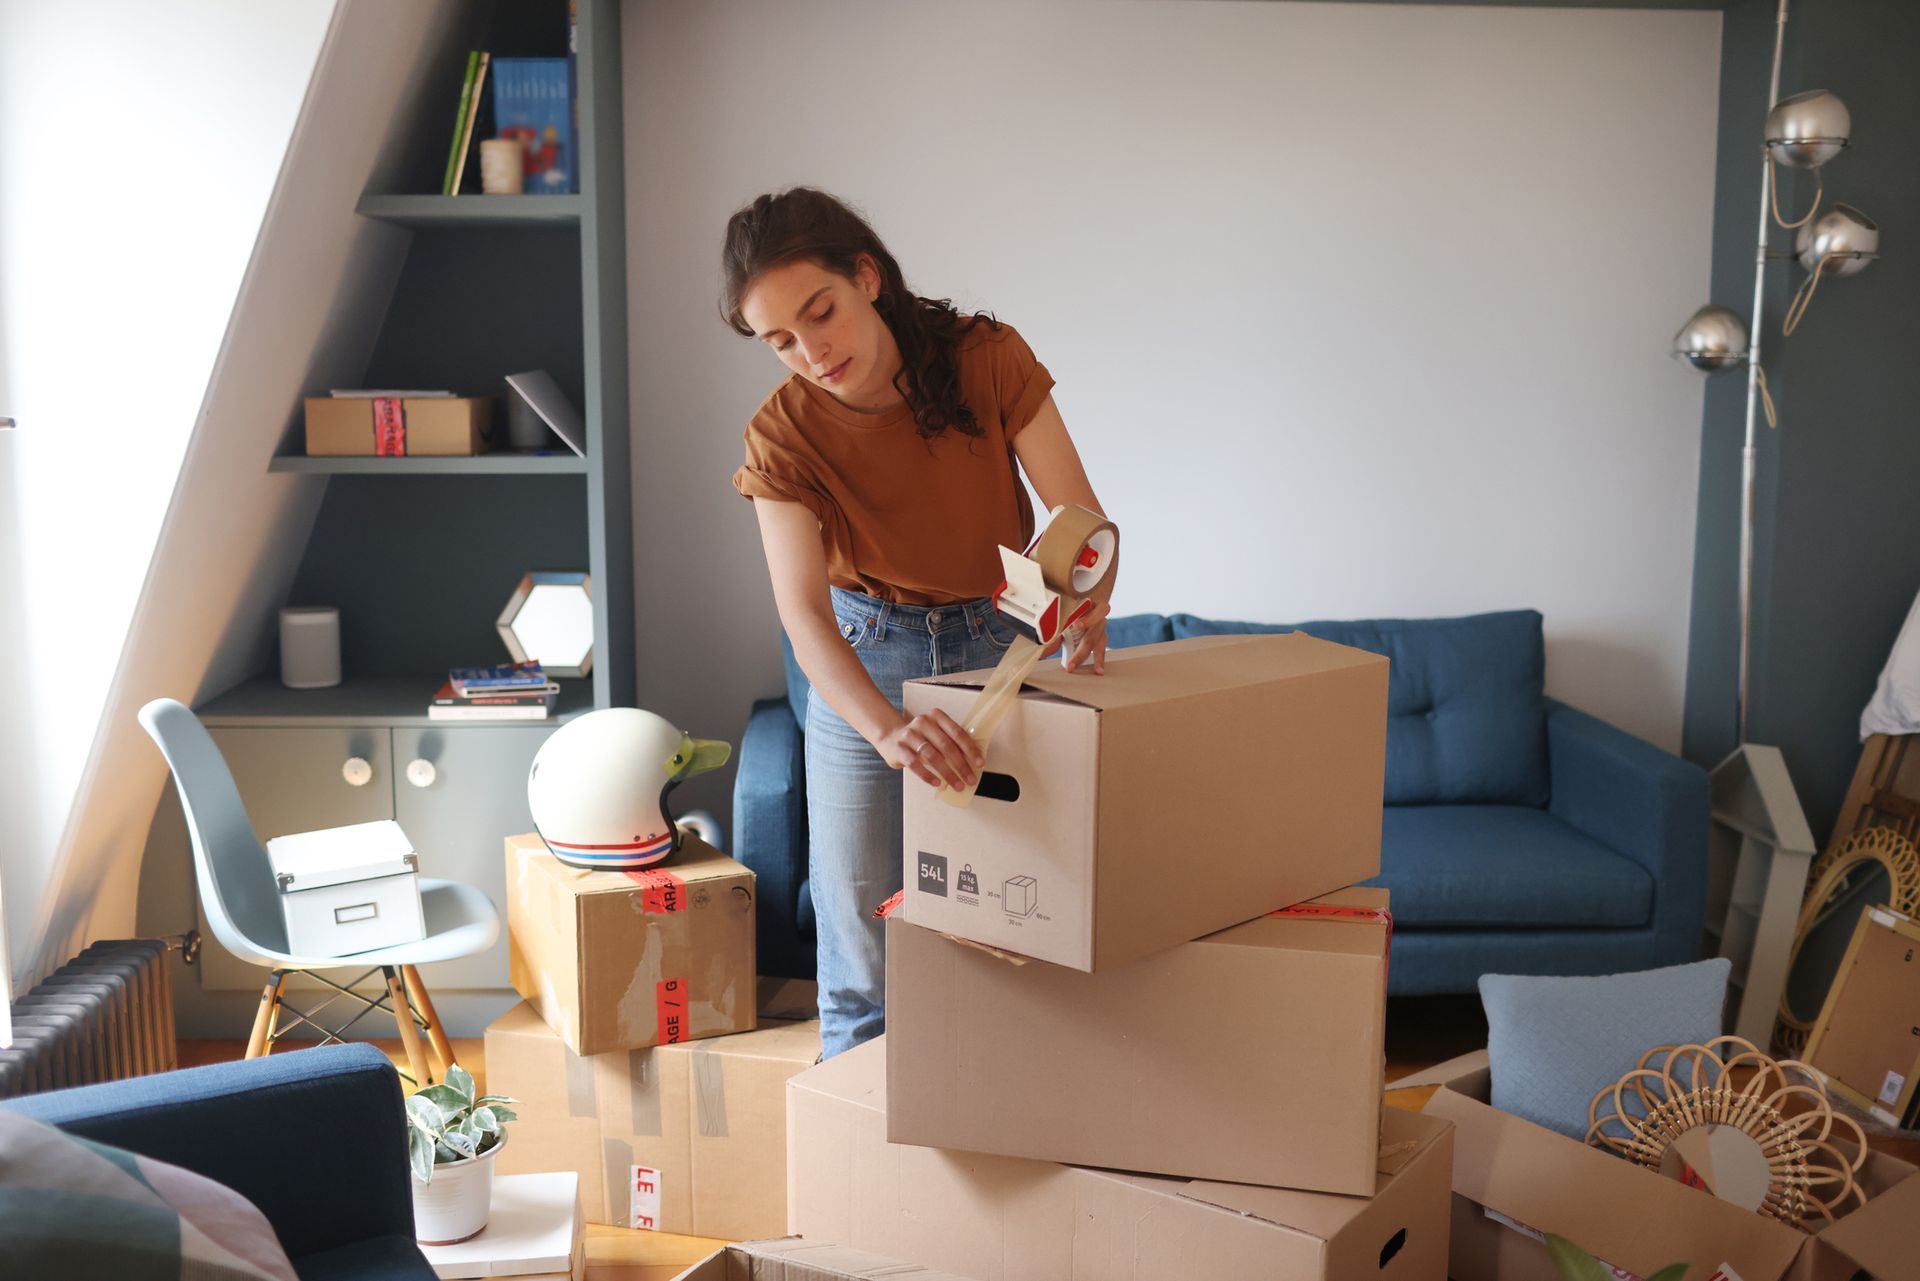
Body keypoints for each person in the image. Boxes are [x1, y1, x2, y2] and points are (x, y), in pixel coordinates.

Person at [723, 187, 1112, 1057]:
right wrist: (889, 730)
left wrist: (1088, 591)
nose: (810, 351)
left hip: (1001, 633)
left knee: (1026, 924)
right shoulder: (779, 438)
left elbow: (1075, 516)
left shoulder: (986, 358)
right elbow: (803, 612)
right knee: (862, 959)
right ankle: (858, 1178)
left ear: (868, 276)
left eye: (820, 313)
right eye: (779, 340)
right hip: (868, 652)